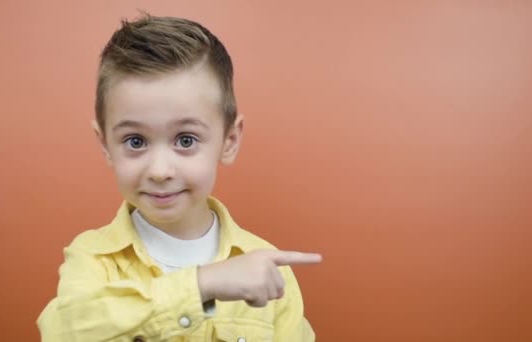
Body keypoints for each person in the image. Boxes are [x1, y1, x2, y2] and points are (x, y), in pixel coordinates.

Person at [37, 13, 322, 341]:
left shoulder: (266, 267)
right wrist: (203, 284)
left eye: (186, 140)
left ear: (229, 141)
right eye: (136, 141)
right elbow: (68, 331)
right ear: (106, 145)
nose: (159, 171)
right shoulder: (92, 258)